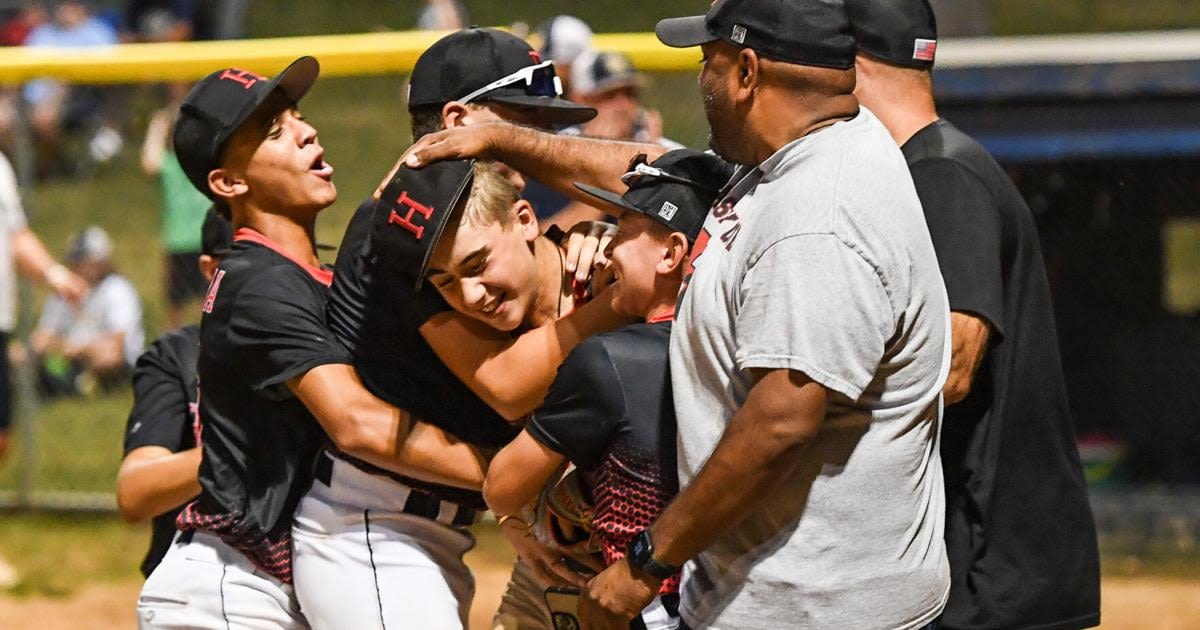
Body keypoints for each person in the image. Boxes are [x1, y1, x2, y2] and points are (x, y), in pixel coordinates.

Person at [401, 1, 953, 628]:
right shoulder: (818, 147)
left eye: (707, 61)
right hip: (792, 587)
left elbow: (780, 421)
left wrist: (645, 562)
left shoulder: (817, 222)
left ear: (747, 72)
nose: (700, 80)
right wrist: (504, 140)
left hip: (810, 606)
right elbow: (649, 175)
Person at [135, 56, 487, 629]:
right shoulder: (259, 284)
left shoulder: (299, 276)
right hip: (231, 591)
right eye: (274, 132)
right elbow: (354, 423)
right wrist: (511, 475)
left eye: (297, 116)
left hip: (270, 586)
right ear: (229, 183)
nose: (305, 131)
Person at [294, 28, 617, 630]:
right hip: (372, 524)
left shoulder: (484, 217)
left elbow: (657, 184)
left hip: (432, 527)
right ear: (458, 119)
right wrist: (623, 293)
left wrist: (595, 236)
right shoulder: (403, 221)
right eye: (521, 124)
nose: (536, 148)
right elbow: (509, 385)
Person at [848, 1, 1100, 627]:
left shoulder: (940, 173)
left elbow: (953, 366)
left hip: (993, 562)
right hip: (994, 559)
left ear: (850, 67)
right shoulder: (935, 164)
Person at [483, 150, 728, 630]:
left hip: (641, 610)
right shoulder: (743, 351)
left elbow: (504, 485)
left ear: (671, 252)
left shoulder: (609, 362)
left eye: (623, 231)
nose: (609, 250)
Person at [116, 207, 229, 579]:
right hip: (190, 573)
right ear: (212, 270)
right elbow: (135, 492)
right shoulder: (179, 357)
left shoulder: (322, 351)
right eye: (256, 261)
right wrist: (245, 449)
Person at [543, 51, 686, 230]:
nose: (623, 106)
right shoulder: (557, 151)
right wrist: (606, 160)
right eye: (609, 96)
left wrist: (658, 166)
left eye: (629, 94)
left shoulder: (665, 150)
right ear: (580, 99)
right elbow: (544, 237)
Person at [31, 225, 144, 396]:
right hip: (68, 357)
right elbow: (43, 335)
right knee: (22, 354)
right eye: (75, 260)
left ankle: (81, 385)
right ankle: (72, 385)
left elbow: (117, 344)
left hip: (106, 359)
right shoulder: (64, 290)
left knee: (108, 355)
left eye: (83, 260)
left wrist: (75, 349)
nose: (76, 265)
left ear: (100, 261)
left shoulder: (117, 289)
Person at [22, 0, 122, 174]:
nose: (62, 8)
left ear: (83, 7)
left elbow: (110, 78)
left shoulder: (97, 33)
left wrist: (63, 86)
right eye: (60, 4)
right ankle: (37, 168)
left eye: (69, 3)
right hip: (27, 99)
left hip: (76, 100)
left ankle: (53, 167)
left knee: (45, 117)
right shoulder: (42, 33)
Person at [141, 90, 211, 329]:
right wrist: (159, 124)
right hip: (179, 243)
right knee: (174, 307)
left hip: (206, 242)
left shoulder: (208, 162)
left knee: (211, 304)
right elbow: (149, 161)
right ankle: (173, 357)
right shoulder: (172, 165)